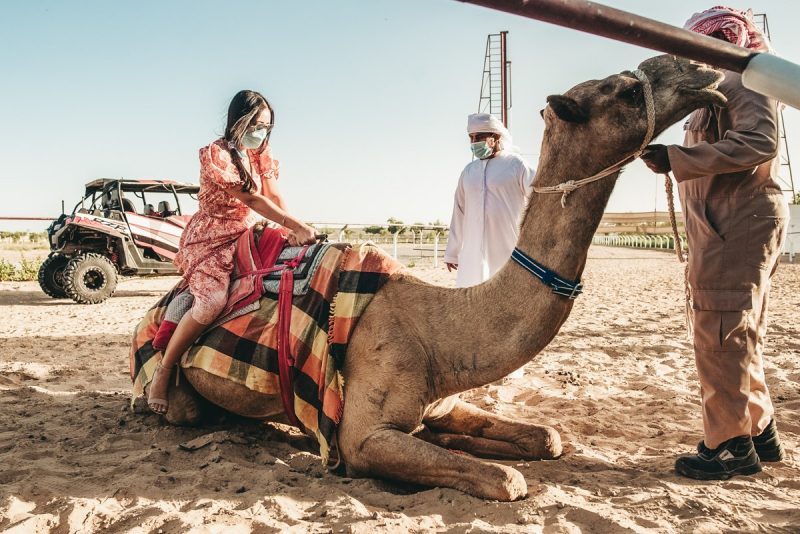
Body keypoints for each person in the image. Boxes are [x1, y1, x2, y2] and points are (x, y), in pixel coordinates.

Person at [640, 6, 788, 480]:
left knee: (719, 331)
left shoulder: (745, 80)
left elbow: (760, 142)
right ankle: (757, 430)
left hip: (735, 222)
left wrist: (677, 158)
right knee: (738, 331)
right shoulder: (717, 90)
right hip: (723, 221)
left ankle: (727, 446)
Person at [147, 90, 317, 414]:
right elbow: (253, 199)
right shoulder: (217, 155)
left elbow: (274, 198)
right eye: (256, 124)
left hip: (249, 231)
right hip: (213, 238)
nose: (261, 132)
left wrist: (297, 228)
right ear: (239, 120)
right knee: (211, 302)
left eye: (266, 126)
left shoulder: (261, 156)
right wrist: (294, 224)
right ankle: (165, 369)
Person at [444, 113, 535, 288]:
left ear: (496, 137)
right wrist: (452, 253)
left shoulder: (516, 165)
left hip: (508, 245)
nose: (474, 142)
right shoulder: (468, 172)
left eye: (479, 137)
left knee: (508, 292)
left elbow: (539, 199)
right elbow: (459, 213)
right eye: (471, 137)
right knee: (470, 294)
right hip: (472, 250)